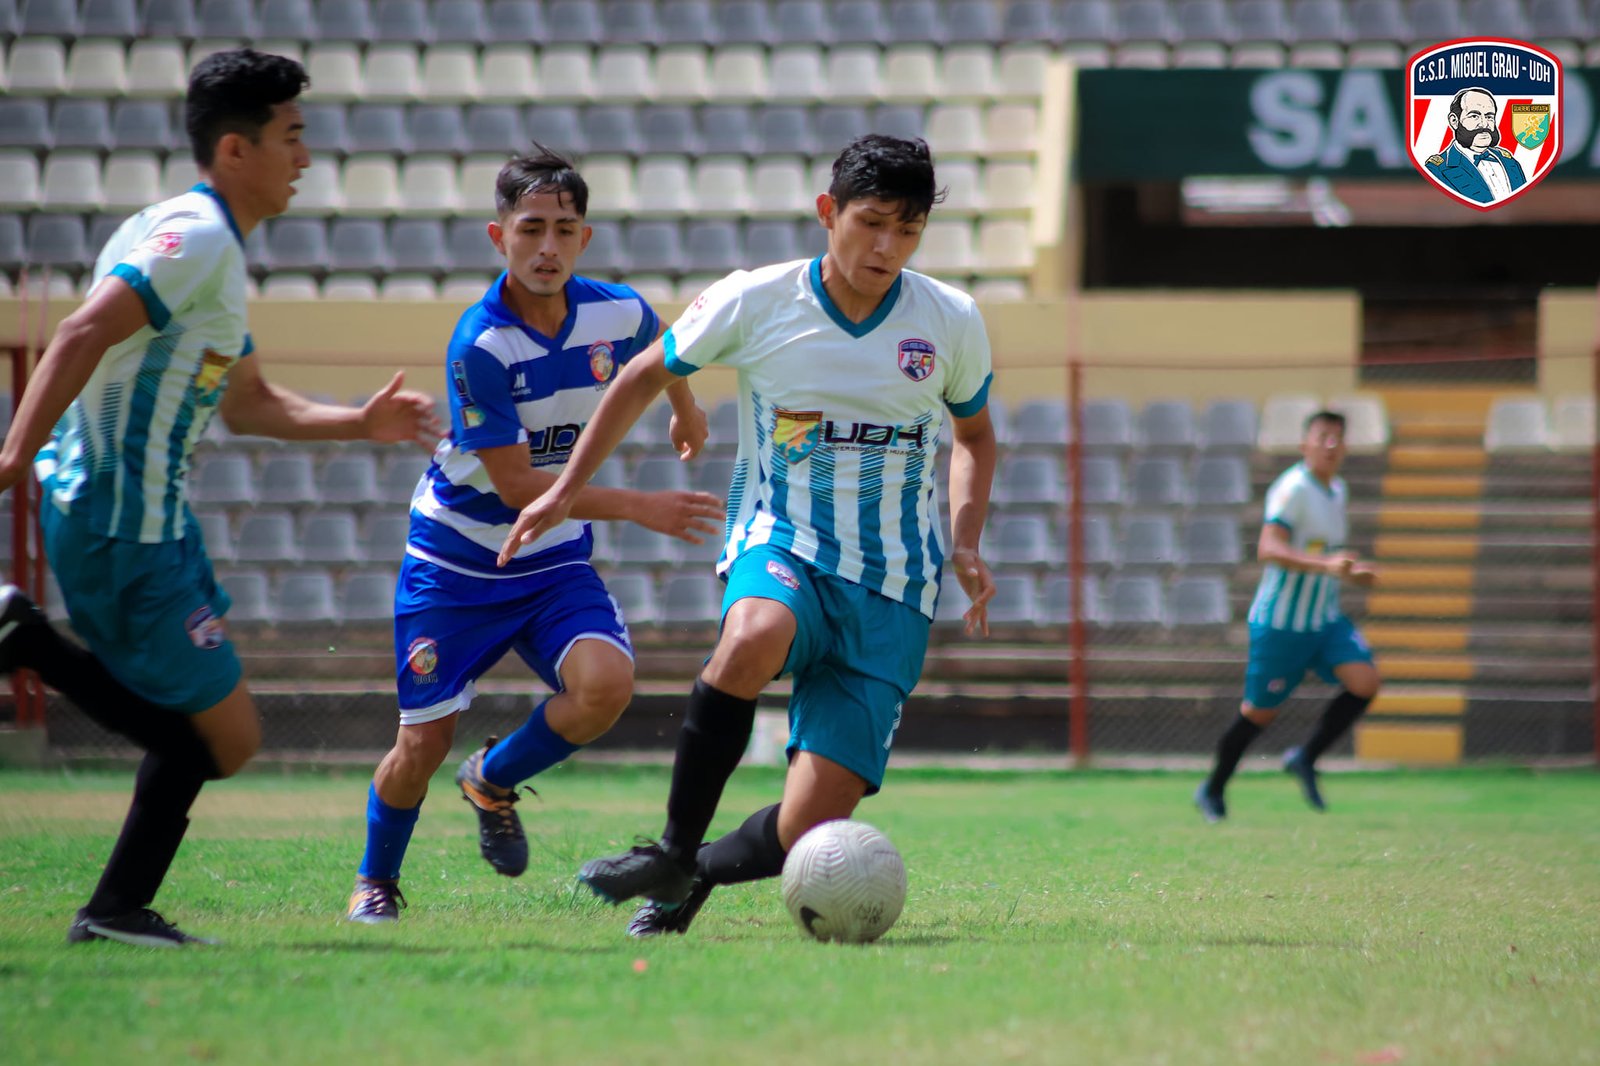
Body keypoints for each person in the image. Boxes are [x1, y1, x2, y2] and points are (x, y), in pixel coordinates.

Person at [497, 134, 999, 938]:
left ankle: (686, 876)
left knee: (807, 830)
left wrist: (964, 541)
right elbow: (642, 376)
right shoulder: (756, 299)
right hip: (784, 543)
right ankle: (672, 843)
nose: (886, 248)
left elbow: (974, 436)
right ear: (827, 212)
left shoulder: (950, 319)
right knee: (756, 632)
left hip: (896, 588)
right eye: (870, 223)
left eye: (907, 232)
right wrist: (563, 490)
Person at [0, 49, 441, 946]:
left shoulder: (202, 243)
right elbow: (84, 330)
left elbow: (248, 404)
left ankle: (116, 908)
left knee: (207, 732)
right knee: (227, 740)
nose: (305, 158)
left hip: (153, 525)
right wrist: (14, 455)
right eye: (292, 136)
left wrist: (362, 424)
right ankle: (22, 637)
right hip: (123, 523)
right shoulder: (194, 238)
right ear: (236, 149)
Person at [344, 147, 721, 924]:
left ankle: (492, 779)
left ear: (585, 240)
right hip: (455, 566)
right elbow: (521, 491)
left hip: (549, 564)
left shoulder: (616, 311)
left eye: (564, 229)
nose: (547, 246)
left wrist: (684, 407)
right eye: (531, 229)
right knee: (420, 746)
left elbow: (662, 349)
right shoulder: (479, 345)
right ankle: (375, 880)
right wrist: (642, 507)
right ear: (499, 237)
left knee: (606, 687)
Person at [1195, 410, 1381, 822]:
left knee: (1365, 681)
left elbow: (1324, 556)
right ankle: (1212, 787)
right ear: (1305, 444)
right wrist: (1327, 565)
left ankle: (1305, 757)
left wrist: (1351, 573)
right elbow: (1269, 548)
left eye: (1337, 438)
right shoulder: (1292, 488)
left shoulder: (1338, 491)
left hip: (1323, 620)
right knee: (1259, 714)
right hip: (1281, 625)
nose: (1330, 445)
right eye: (1322, 437)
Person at [1423, 87, 1527, 205]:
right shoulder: (1437, 169)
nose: (1484, 124)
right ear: (1454, 121)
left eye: (1489, 116)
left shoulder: (1509, 161)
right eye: (1474, 116)